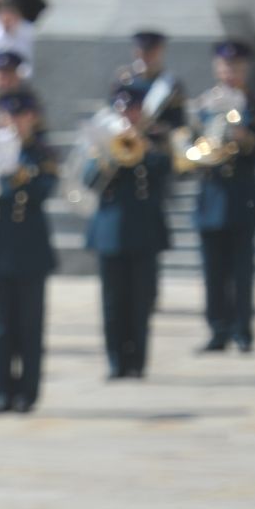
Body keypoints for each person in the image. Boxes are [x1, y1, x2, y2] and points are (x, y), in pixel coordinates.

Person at [183, 41, 255, 354]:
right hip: (211, 195)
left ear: (245, 69)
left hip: (242, 195)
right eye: (224, 66)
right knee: (213, 271)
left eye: (235, 67)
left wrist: (245, 137)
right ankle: (217, 328)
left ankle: (243, 329)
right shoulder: (204, 104)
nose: (229, 72)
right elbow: (191, 145)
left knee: (242, 270)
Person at [0, 93, 58, 413]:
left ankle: (28, 392)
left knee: (29, 327)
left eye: (20, 117)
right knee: (0, 327)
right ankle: (2, 392)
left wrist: (17, 173)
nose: (13, 123)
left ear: (31, 118)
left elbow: (43, 191)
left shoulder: (40, 153)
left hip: (28, 248)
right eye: (8, 117)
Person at [83, 83, 172, 379]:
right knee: (113, 302)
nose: (128, 115)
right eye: (122, 109)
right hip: (110, 231)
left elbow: (166, 173)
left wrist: (144, 149)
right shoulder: (103, 141)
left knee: (141, 300)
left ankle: (138, 361)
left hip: (144, 229)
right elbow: (89, 181)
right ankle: (115, 361)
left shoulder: (156, 137)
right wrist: (110, 156)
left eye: (132, 109)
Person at [116, 30, 187, 142]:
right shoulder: (125, 81)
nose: (147, 57)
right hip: (126, 139)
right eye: (143, 53)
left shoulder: (172, 85)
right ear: (136, 53)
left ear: (160, 52)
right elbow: (113, 111)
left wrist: (158, 129)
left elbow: (178, 122)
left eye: (151, 53)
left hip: (158, 145)